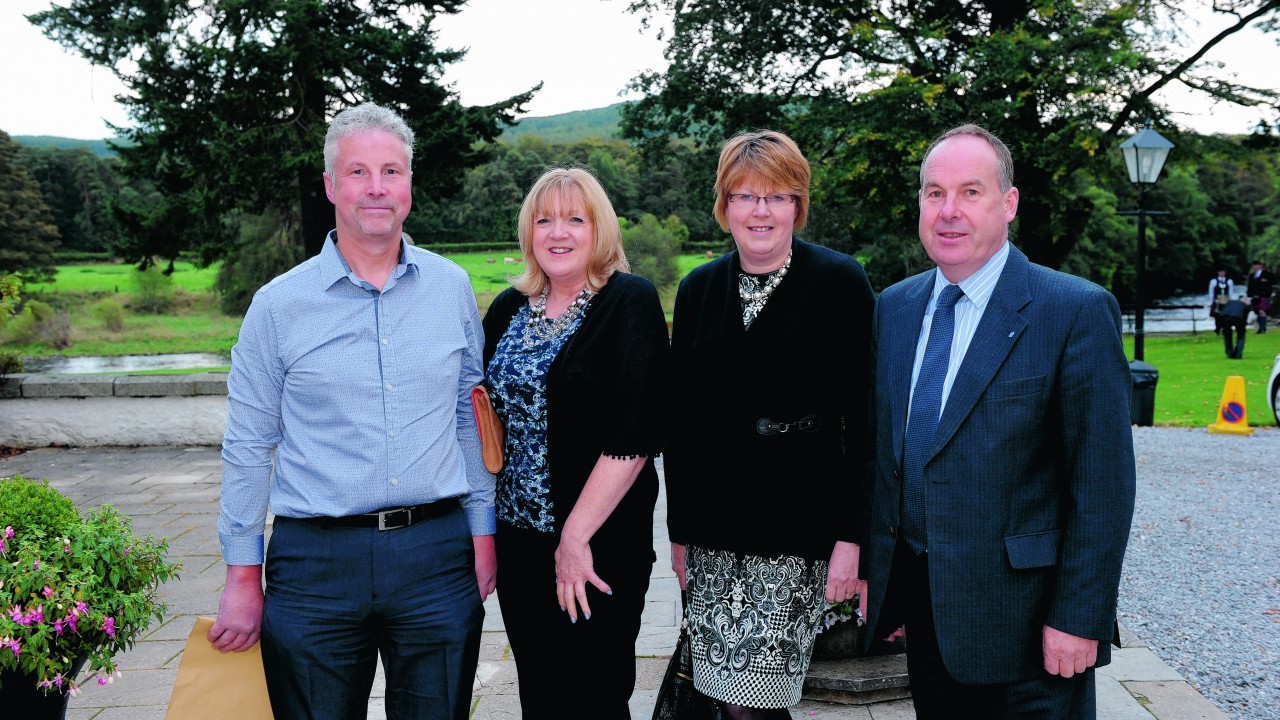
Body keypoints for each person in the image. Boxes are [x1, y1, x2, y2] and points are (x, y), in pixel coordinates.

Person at [209, 102, 495, 720]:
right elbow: (249, 443)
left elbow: (467, 416)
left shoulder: (451, 289)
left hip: (436, 557)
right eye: (359, 172)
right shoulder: (278, 306)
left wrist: (482, 530)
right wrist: (241, 575)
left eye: (391, 172)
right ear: (332, 186)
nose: (376, 188)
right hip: (315, 564)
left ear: (410, 188)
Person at [859, 124, 1136, 719]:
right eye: (934, 194)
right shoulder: (896, 308)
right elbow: (886, 457)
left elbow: (1103, 487)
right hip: (928, 624)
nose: (949, 211)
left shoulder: (1073, 310)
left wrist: (1079, 617)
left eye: (970, 192)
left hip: (1032, 635)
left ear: (1008, 204)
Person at [665, 130, 875, 720]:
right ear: (725, 205)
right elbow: (681, 424)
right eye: (746, 196)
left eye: (778, 196)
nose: (761, 211)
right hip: (713, 528)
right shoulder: (698, 289)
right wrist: (680, 533)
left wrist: (852, 539)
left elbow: (864, 423)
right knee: (720, 694)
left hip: (796, 524)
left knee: (753, 701)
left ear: (797, 206)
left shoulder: (840, 282)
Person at [480, 167, 669, 719]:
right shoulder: (508, 309)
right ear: (528, 232)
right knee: (540, 693)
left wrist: (574, 538)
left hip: (598, 544)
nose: (557, 232)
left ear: (598, 230)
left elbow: (634, 435)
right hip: (520, 543)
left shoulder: (627, 302)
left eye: (574, 219)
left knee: (595, 694)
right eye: (544, 220)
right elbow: (484, 415)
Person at [1217, 294, 1250, 359]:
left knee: (1227, 335)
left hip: (1225, 317)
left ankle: (1229, 353)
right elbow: (1244, 319)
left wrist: (1218, 329)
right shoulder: (1245, 306)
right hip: (1238, 318)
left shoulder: (1230, 302)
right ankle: (1238, 354)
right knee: (1241, 336)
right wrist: (1243, 328)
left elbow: (1221, 313)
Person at [1246, 259, 1274, 333]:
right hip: (1255, 296)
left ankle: (1263, 329)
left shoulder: (1267, 274)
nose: (1255, 267)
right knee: (1258, 312)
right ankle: (1260, 328)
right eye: (1254, 265)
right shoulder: (1252, 275)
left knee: (1262, 311)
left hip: (1264, 296)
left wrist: (1268, 292)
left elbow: (1272, 282)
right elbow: (1250, 286)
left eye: (1257, 265)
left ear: (1261, 266)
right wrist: (1249, 295)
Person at [1207, 268, 1233, 333]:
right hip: (1217, 300)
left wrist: (1230, 301)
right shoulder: (1213, 281)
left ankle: (1225, 328)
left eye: (1223, 271)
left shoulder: (1229, 281)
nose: (1221, 273)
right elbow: (1211, 292)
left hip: (1226, 300)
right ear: (1218, 272)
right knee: (1217, 315)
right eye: (1220, 271)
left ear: (1225, 272)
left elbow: (1231, 292)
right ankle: (1217, 328)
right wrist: (1211, 301)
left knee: (1226, 315)